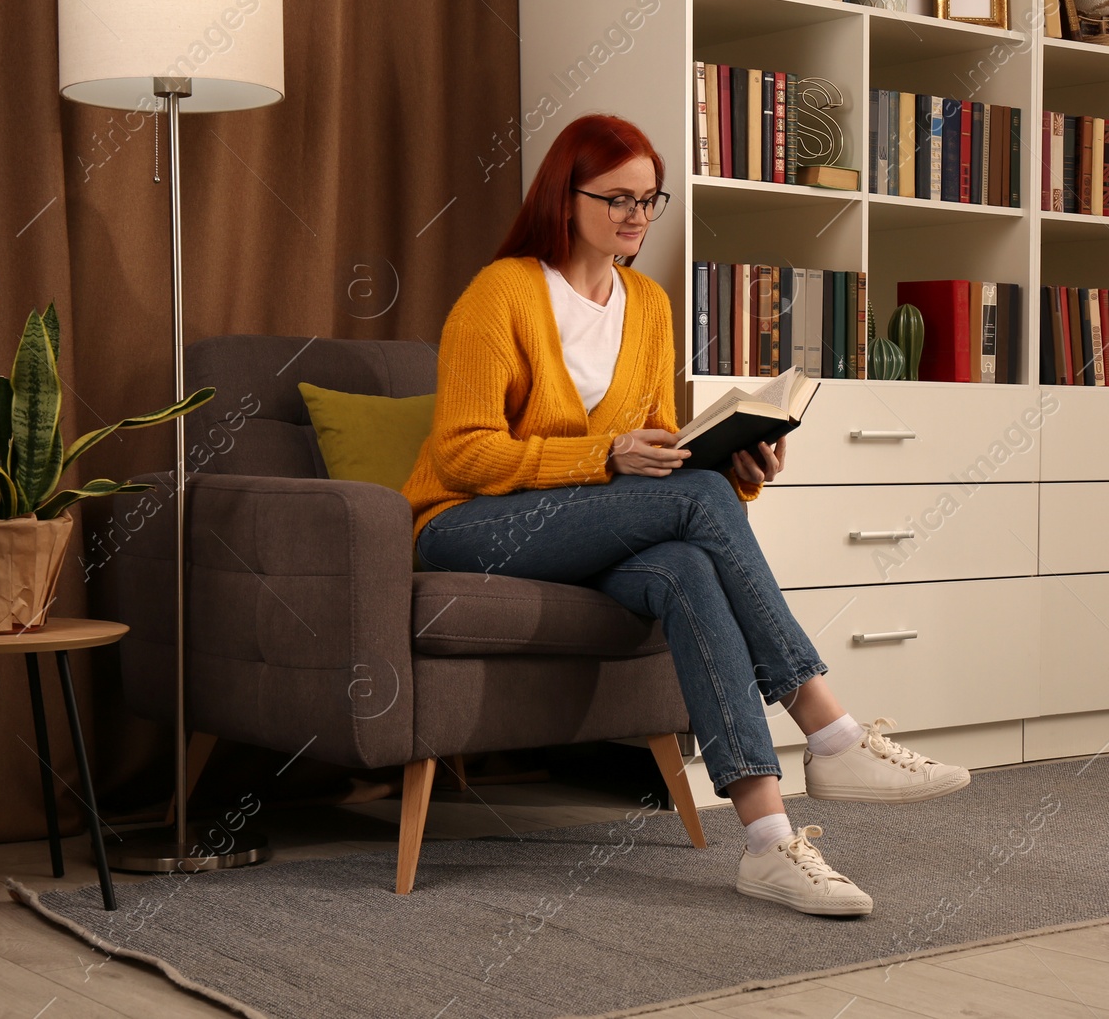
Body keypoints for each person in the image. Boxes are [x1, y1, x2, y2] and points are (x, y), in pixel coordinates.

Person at [399, 113, 969, 916]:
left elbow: (663, 449)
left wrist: (736, 464)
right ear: (566, 198)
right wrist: (603, 459)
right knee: (693, 506)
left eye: (650, 199)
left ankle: (769, 840)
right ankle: (828, 728)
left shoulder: (650, 304)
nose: (637, 216)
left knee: (688, 564)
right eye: (618, 198)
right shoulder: (502, 293)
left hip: (588, 523)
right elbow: (461, 452)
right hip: (469, 526)